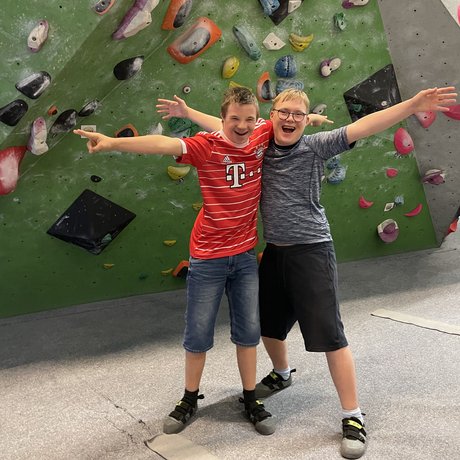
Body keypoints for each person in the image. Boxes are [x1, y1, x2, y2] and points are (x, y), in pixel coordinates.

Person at [156, 85, 457, 459]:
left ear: (305, 120)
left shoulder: (316, 146)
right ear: (273, 115)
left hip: (312, 250)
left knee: (330, 335)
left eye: (299, 114)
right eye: (284, 112)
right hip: (273, 254)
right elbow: (229, 124)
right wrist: (188, 114)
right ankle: (282, 373)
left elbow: (364, 126)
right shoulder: (260, 142)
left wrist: (412, 105)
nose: (291, 119)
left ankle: (352, 416)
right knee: (266, 324)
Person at [73, 87, 277, 436]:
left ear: (256, 119)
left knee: (248, 333)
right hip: (208, 257)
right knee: (197, 334)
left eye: (248, 119)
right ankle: (189, 398)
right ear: (223, 119)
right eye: (234, 120)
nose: (242, 126)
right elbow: (163, 145)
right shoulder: (207, 146)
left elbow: (283, 121)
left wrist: (311, 118)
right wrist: (112, 142)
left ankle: (249, 398)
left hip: (244, 256)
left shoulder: (261, 133)